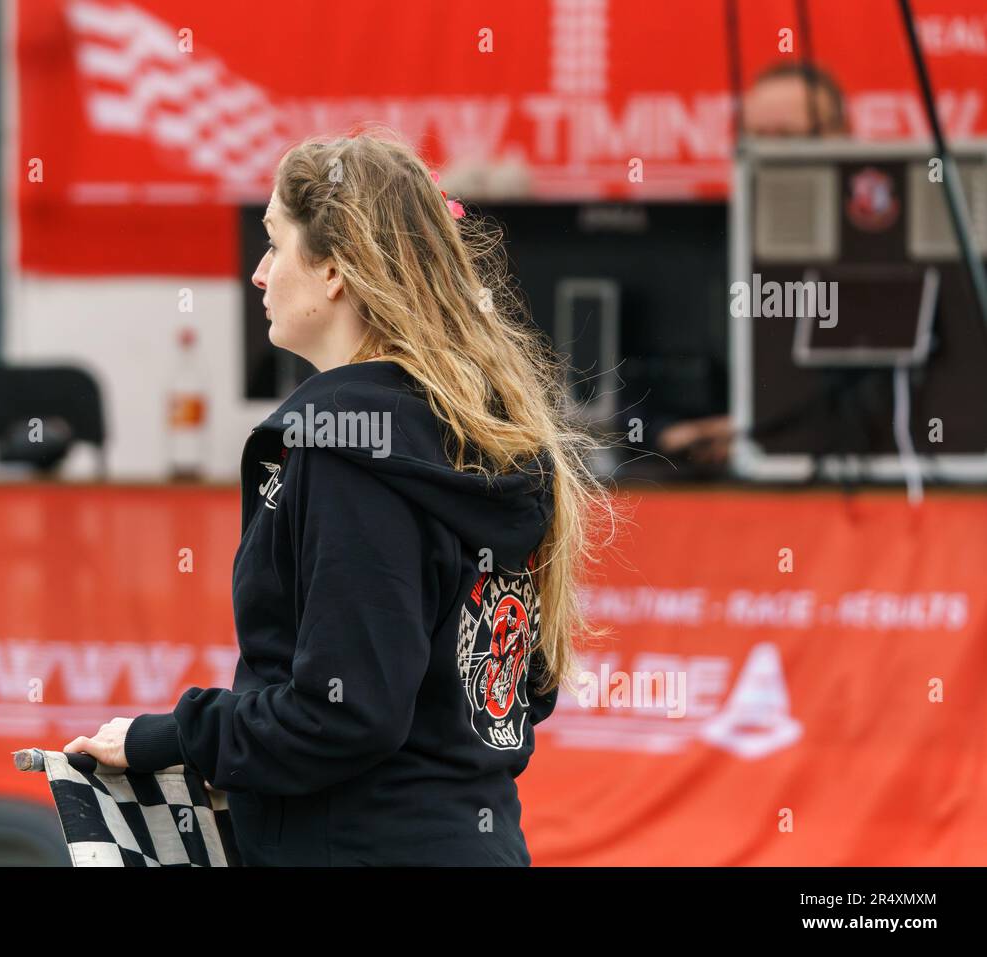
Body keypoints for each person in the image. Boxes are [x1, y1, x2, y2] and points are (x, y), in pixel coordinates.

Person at [63, 129, 607, 866]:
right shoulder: (496, 432)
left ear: (335, 271)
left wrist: (169, 735)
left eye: (275, 244)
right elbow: (516, 695)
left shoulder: (344, 443)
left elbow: (343, 714)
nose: (258, 274)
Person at [653, 62, 848, 467]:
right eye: (758, 138)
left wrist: (761, 426)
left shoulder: (880, 243)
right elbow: (660, 396)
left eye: (790, 137)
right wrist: (682, 434)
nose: (769, 154)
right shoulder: (709, 249)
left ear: (840, 136)